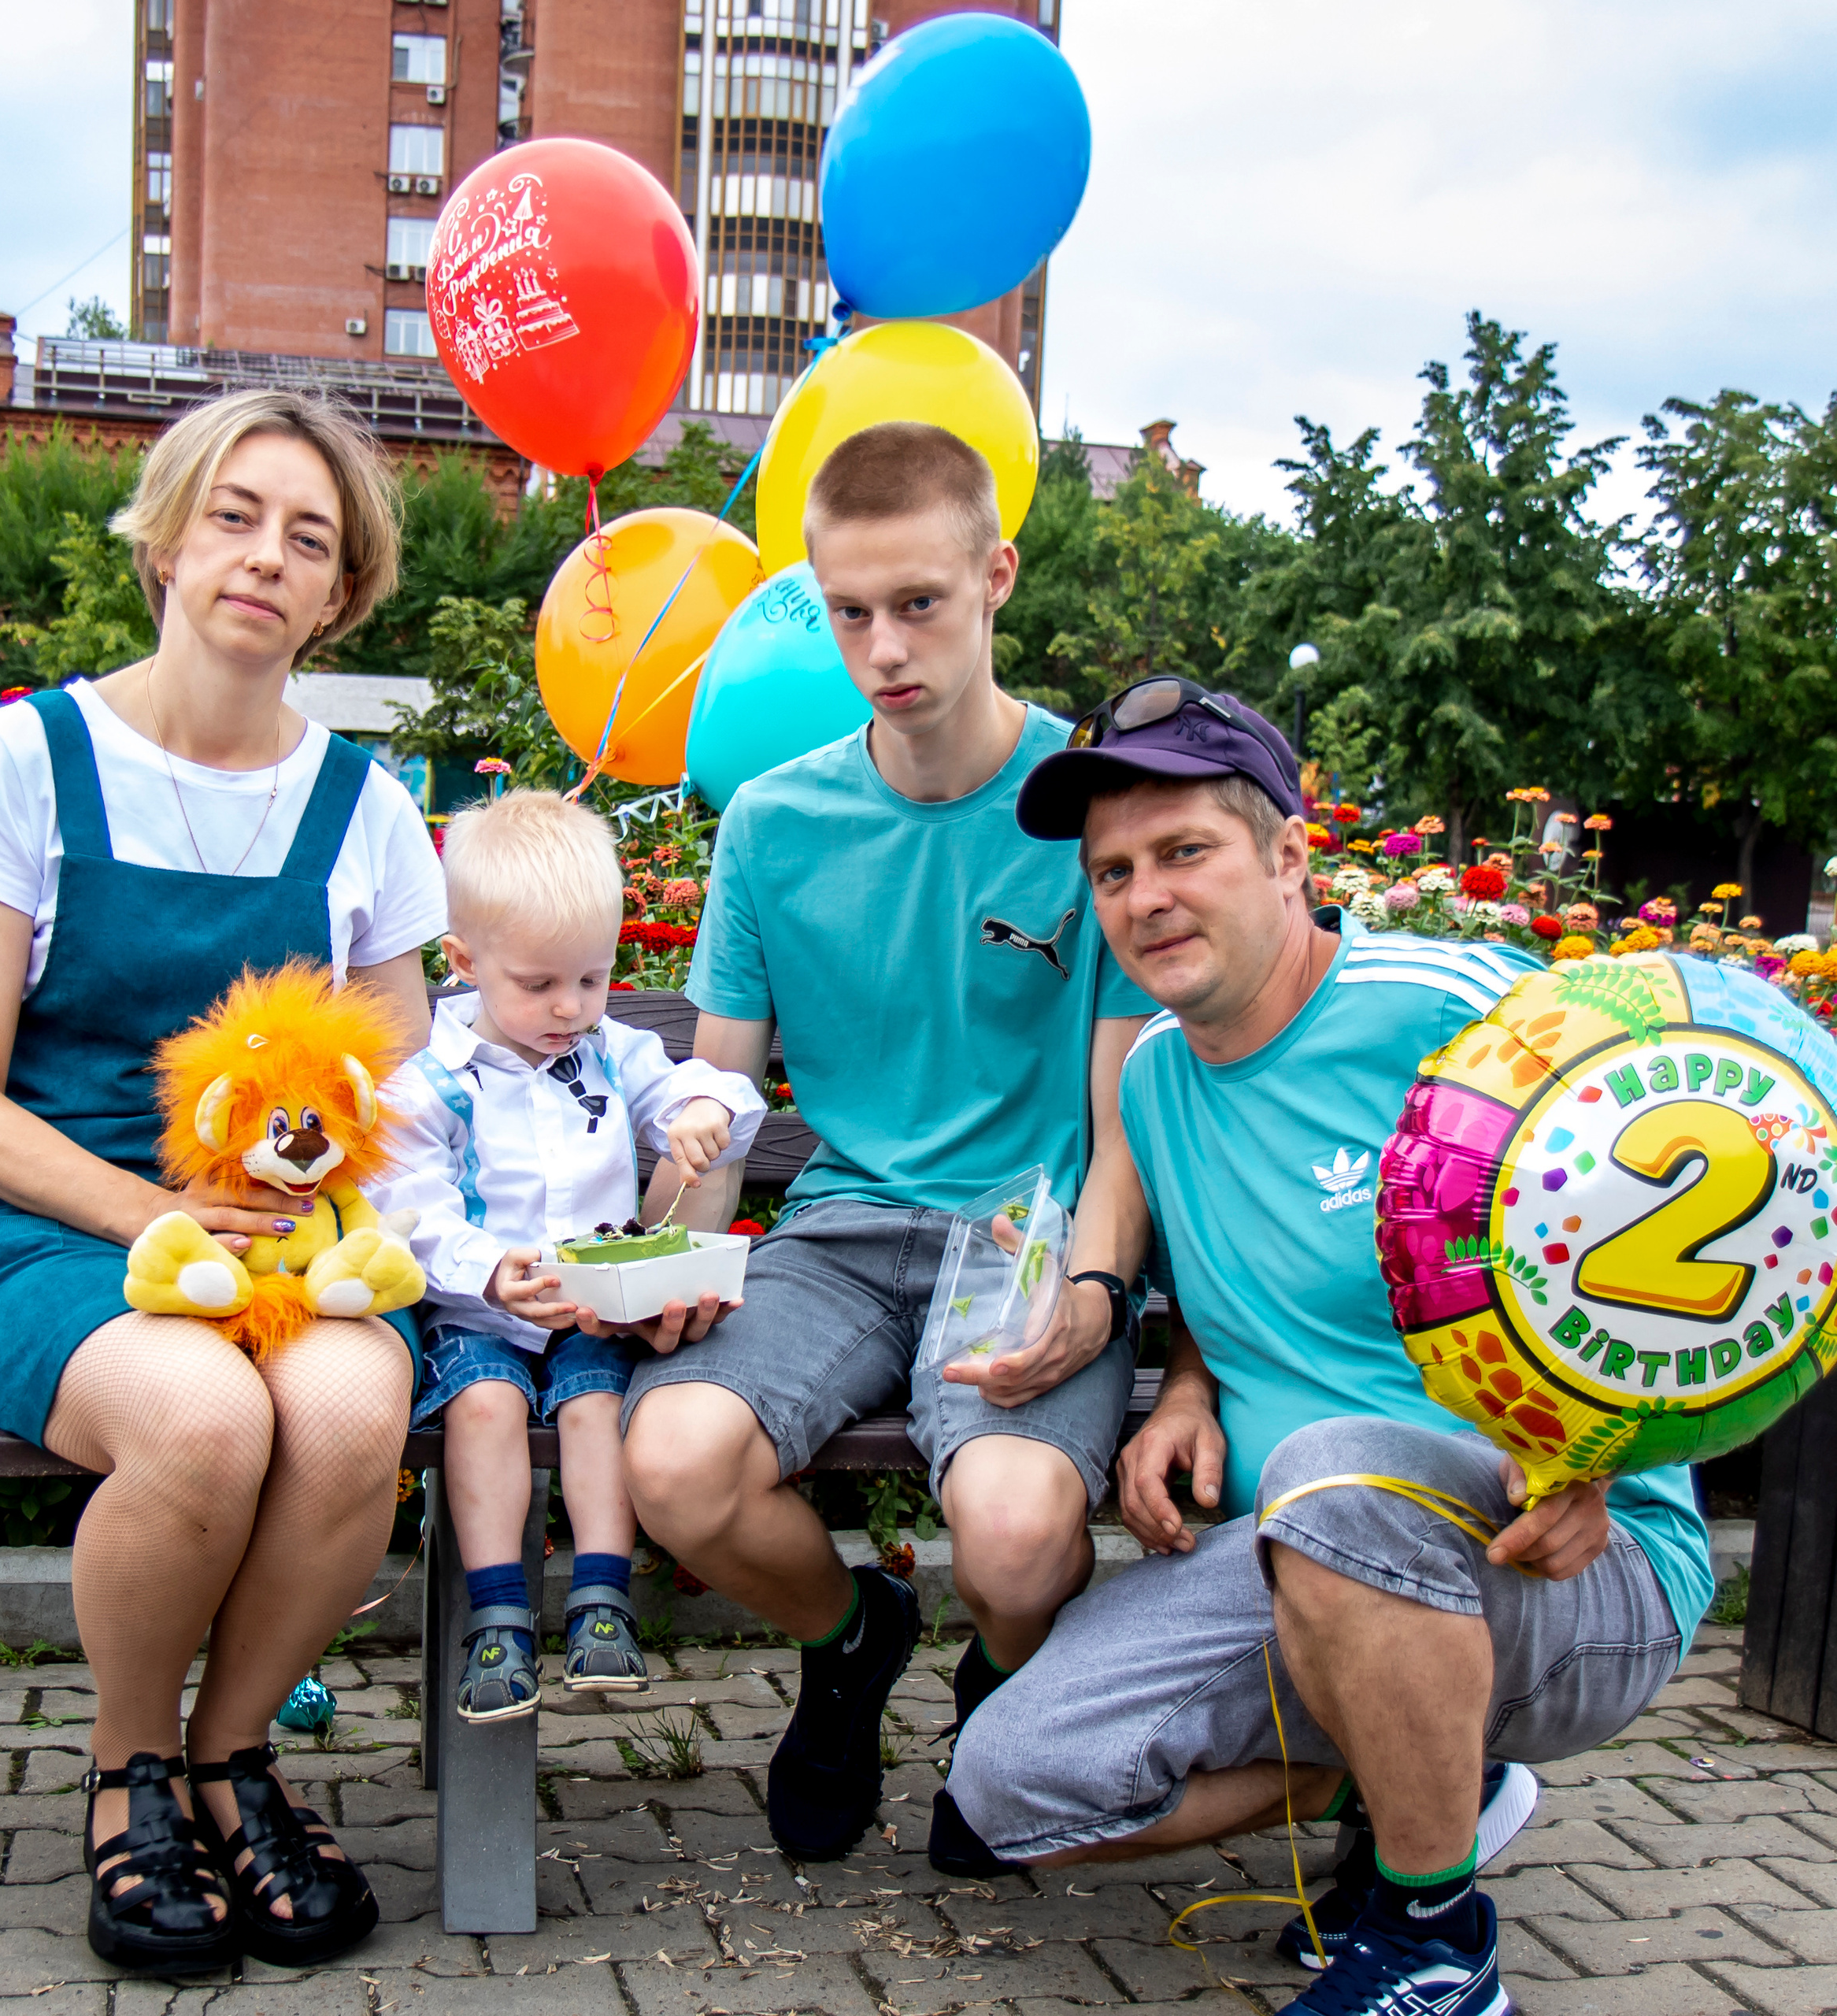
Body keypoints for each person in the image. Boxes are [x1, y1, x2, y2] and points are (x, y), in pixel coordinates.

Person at [947, 682, 1713, 2016]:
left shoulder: (1458, 1008)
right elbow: (1236, 1275)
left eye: (1186, 852)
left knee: (1337, 1465)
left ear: (1292, 856)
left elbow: (1716, 1204)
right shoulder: (1155, 1082)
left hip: (1570, 1559)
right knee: (1004, 1786)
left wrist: (1599, 1450)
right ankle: (1427, 1777)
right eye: (1114, 871)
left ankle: (1432, 1942)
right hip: (1309, 1558)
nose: (1145, 897)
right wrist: (1185, 1381)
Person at [0, 391, 447, 1975]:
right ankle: (128, 1771)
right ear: (167, 531)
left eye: (309, 537)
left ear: (339, 592)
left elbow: (393, 1082)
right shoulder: (29, 758)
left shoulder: (365, 809)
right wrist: (151, 1214)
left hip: (277, 1243)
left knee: (346, 1415)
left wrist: (311, 1206)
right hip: (54, 1236)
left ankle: (232, 1751)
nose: (265, 556)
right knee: (203, 1416)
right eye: (234, 513)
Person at [617, 421, 1157, 1865]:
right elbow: (718, 1110)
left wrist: (1094, 1293)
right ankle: (856, 1642)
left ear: (996, 577)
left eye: (918, 602)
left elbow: (1122, 1126)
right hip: (841, 1236)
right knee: (669, 1461)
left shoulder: (1088, 806)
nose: (883, 645)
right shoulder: (776, 823)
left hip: (1026, 1239)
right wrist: (672, 1251)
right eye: (849, 610)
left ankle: (1003, 1692)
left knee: (1021, 1529)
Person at [367, 790, 765, 1723]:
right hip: (480, 1316)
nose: (569, 1007)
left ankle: (599, 1600)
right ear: (463, 964)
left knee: (595, 1406)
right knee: (487, 1407)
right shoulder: (432, 1076)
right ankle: (498, 1614)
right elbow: (407, 1206)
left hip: (593, 1307)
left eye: (591, 980)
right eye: (540, 984)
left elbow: (701, 1089)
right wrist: (488, 1269)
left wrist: (701, 1116)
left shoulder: (610, 1052)